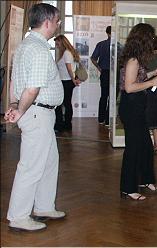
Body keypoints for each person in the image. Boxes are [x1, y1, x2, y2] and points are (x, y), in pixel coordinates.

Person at [4, 3, 66, 231]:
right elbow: (32, 88)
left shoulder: (25, 45)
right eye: (57, 21)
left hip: (38, 113)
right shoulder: (39, 49)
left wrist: (14, 104)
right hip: (38, 112)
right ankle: (19, 216)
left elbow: (15, 81)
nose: (58, 25)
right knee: (31, 166)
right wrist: (20, 109)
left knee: (49, 162)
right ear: (47, 22)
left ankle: (43, 205)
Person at [118, 23, 157, 201]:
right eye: (150, 38)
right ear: (143, 39)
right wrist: (152, 82)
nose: (153, 41)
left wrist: (153, 73)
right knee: (133, 148)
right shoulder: (133, 60)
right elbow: (129, 87)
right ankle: (128, 188)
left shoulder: (136, 58)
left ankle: (146, 179)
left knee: (145, 146)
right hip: (131, 107)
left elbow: (138, 77)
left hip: (137, 106)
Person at [54, 35, 82, 132]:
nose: (56, 45)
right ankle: (66, 124)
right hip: (67, 81)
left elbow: (69, 69)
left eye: (57, 43)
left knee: (60, 104)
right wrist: (73, 79)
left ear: (62, 42)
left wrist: (73, 80)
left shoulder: (66, 53)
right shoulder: (69, 52)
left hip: (66, 82)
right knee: (66, 103)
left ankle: (60, 125)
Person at [91, 26, 111, 125]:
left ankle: (101, 119)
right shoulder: (118, 45)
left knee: (104, 96)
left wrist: (99, 67)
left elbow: (93, 58)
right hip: (113, 73)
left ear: (107, 33)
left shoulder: (101, 44)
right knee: (112, 96)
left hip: (104, 72)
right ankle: (108, 120)